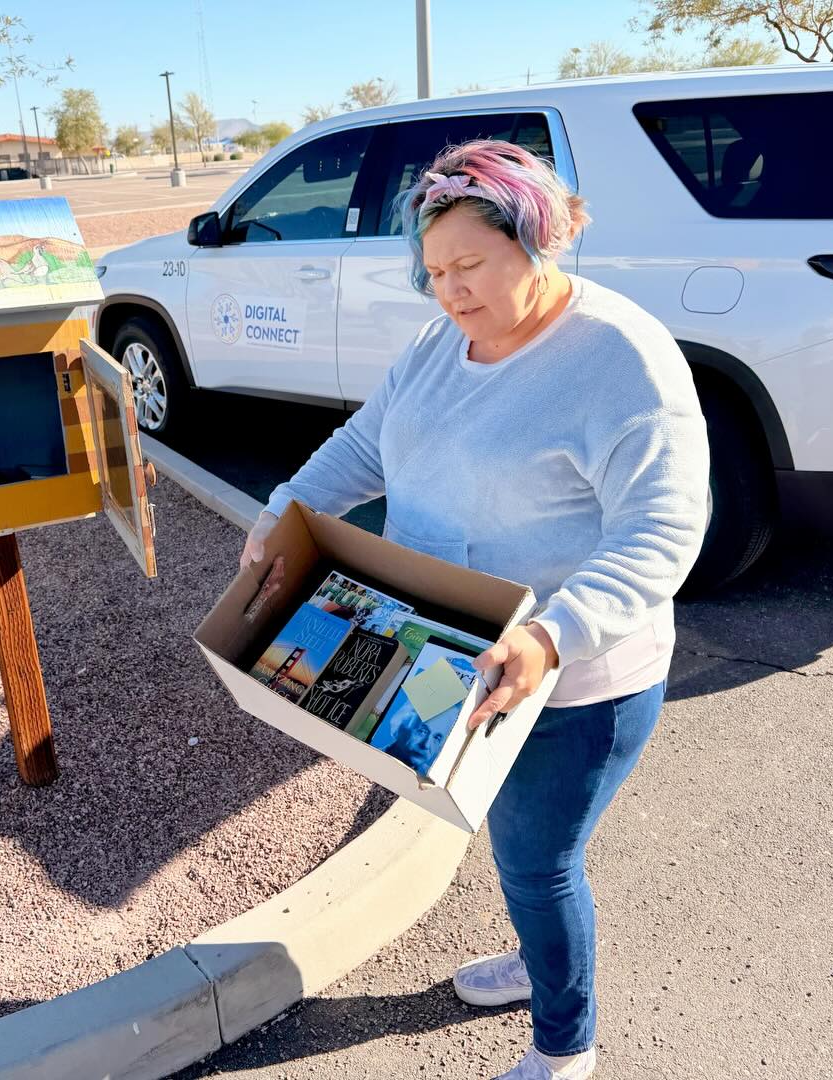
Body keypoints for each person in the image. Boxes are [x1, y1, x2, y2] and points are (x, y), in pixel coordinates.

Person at [237, 139, 710, 1080]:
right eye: (435, 270)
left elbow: (662, 532)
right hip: (453, 644)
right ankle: (541, 952)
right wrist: (286, 508)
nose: (450, 290)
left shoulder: (622, 362)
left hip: (572, 677)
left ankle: (563, 1046)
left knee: (540, 862)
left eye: (471, 265)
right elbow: (369, 442)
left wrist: (551, 635)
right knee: (509, 840)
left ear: (538, 242)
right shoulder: (438, 342)